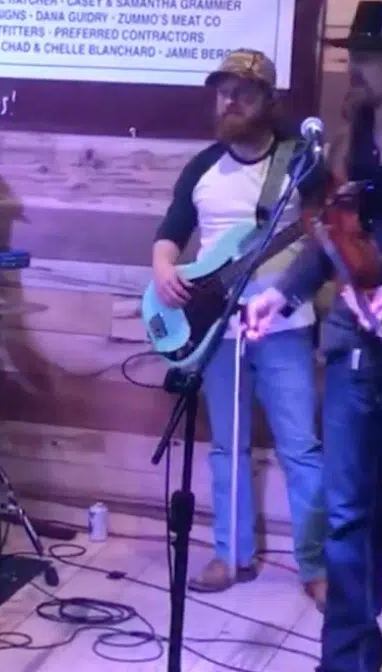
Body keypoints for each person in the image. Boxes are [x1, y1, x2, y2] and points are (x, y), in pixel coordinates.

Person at [150, 49, 326, 608]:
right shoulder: (202, 166)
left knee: (301, 447)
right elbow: (171, 232)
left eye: (243, 93)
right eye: (223, 92)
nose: (229, 102)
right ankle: (231, 554)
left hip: (285, 323)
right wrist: (163, 269)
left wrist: (283, 291)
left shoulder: (301, 163)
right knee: (228, 446)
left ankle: (316, 566)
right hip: (217, 328)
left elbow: (324, 239)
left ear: (268, 101)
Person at [245, 4, 382, 668]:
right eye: (361, 56)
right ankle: (348, 659)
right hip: (355, 347)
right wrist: (281, 293)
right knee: (348, 513)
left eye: (372, 55)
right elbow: (332, 236)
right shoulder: (353, 138)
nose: (364, 68)